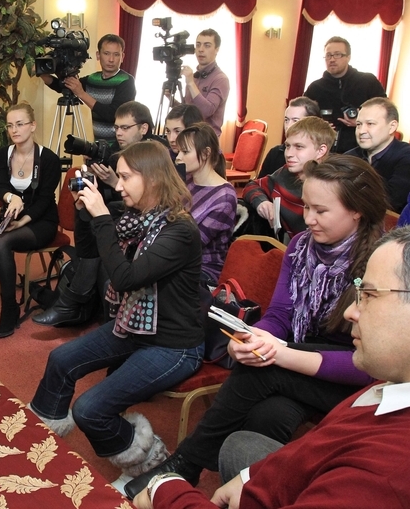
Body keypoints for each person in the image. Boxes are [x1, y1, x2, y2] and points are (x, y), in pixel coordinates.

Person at [133, 224, 410, 509]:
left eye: (369, 295)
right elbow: (329, 440)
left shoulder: (398, 474)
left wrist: (168, 491)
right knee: (242, 447)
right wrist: (256, 479)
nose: (351, 313)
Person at [126, 154, 388, 498]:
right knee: (267, 416)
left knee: (263, 370)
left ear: (357, 212)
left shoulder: (381, 265)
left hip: (354, 379)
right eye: (306, 207)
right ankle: (251, 494)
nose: (308, 219)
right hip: (304, 366)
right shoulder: (301, 247)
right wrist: (250, 337)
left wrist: (279, 353)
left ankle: (185, 464)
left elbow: (371, 366)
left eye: (321, 211)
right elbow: (280, 315)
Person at [29, 140, 208, 481]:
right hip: (134, 327)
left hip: (174, 345)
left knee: (89, 409)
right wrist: (86, 214)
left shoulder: (180, 231)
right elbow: (90, 253)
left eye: (126, 177)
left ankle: (149, 462)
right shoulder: (137, 220)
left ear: (152, 179)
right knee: (61, 360)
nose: (118, 184)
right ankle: (41, 431)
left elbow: (125, 279)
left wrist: (101, 218)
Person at [34, 101, 170, 328]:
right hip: (119, 221)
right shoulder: (114, 154)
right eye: (116, 127)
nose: (118, 133)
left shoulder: (155, 156)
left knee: (99, 238)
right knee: (85, 211)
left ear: (143, 128)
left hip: (140, 226)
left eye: (125, 127)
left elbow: (148, 204)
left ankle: (70, 303)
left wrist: (114, 182)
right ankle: (71, 304)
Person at [0, 102, 60, 338]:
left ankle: (9, 309)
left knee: (0, 241)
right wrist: (11, 197)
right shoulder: (3, 154)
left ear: (32, 126)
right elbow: (0, 185)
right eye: (10, 125)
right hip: (12, 215)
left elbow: (45, 200)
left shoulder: (49, 159)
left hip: (41, 220)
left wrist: (23, 220)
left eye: (19, 124)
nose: (14, 130)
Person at [242, 117, 335, 240]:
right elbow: (252, 186)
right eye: (287, 146)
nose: (288, 154)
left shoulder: (332, 185)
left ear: (321, 151)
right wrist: (262, 202)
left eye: (299, 147)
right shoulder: (285, 173)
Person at [43, 34, 136, 143]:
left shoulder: (126, 81)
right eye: (106, 53)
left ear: (122, 57)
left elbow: (114, 115)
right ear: (98, 55)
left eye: (116, 54)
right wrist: (42, 73)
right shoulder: (93, 79)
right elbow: (63, 86)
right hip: (99, 144)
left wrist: (82, 94)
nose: (111, 59)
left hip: (122, 146)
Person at [304, 36, 386, 154]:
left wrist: (361, 123)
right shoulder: (315, 88)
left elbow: (385, 112)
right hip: (324, 150)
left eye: (337, 54)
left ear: (348, 57)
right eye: (328, 55)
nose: (332, 59)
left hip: (363, 150)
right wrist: (318, 126)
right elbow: (303, 118)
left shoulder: (368, 81)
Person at [175, 126, 235, 284]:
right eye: (179, 151)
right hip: (177, 258)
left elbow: (192, 243)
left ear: (206, 153)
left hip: (204, 269)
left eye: (185, 152)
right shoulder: (187, 181)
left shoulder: (224, 197)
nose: (178, 158)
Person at [344, 97, 410, 213]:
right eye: (358, 124)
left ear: (392, 127)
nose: (361, 131)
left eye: (370, 124)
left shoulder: (409, 157)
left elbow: (391, 201)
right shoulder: (349, 157)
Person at [180, 29, 230, 136]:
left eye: (207, 46)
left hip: (206, 139)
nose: (200, 50)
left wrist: (191, 83)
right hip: (188, 135)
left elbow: (207, 111)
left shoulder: (221, 79)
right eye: (198, 45)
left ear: (216, 50)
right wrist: (171, 100)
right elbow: (188, 109)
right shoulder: (195, 76)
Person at [257, 96, 320, 178]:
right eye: (286, 120)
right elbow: (260, 183)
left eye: (295, 121)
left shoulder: (321, 158)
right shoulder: (275, 153)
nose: (288, 126)